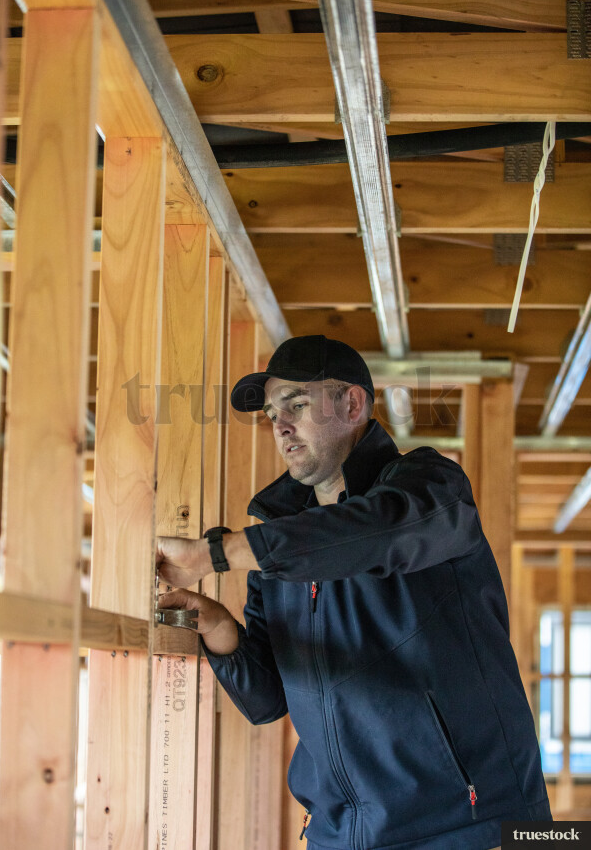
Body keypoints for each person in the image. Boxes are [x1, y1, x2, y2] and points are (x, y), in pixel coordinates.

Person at [156, 334, 551, 850]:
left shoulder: (430, 488)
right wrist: (218, 628)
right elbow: (268, 700)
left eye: (297, 404)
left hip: (472, 826)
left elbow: (373, 533)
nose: (280, 425)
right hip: (341, 834)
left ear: (352, 404)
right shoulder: (278, 540)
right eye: (272, 414)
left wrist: (216, 552)